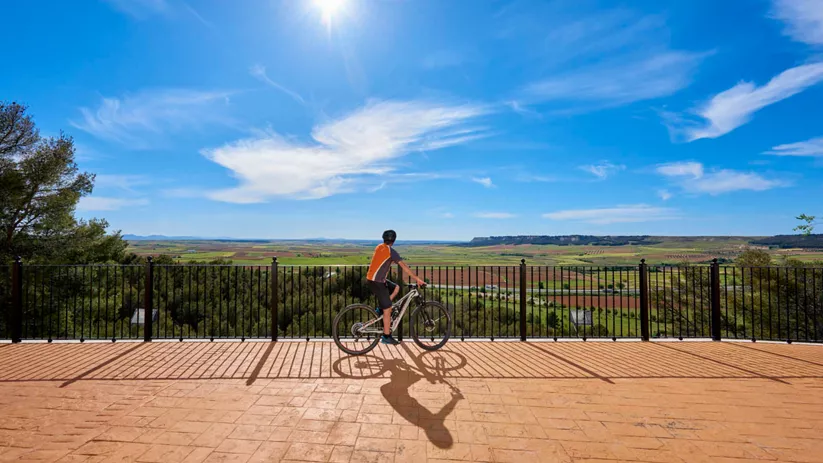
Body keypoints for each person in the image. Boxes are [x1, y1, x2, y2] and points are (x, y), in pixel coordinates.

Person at [367, 229, 426, 345]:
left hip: (373, 279)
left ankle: (381, 309)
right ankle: (386, 336)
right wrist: (417, 279)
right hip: (377, 282)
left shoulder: (379, 247)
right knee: (388, 309)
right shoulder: (391, 252)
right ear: (393, 240)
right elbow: (404, 267)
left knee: (396, 288)